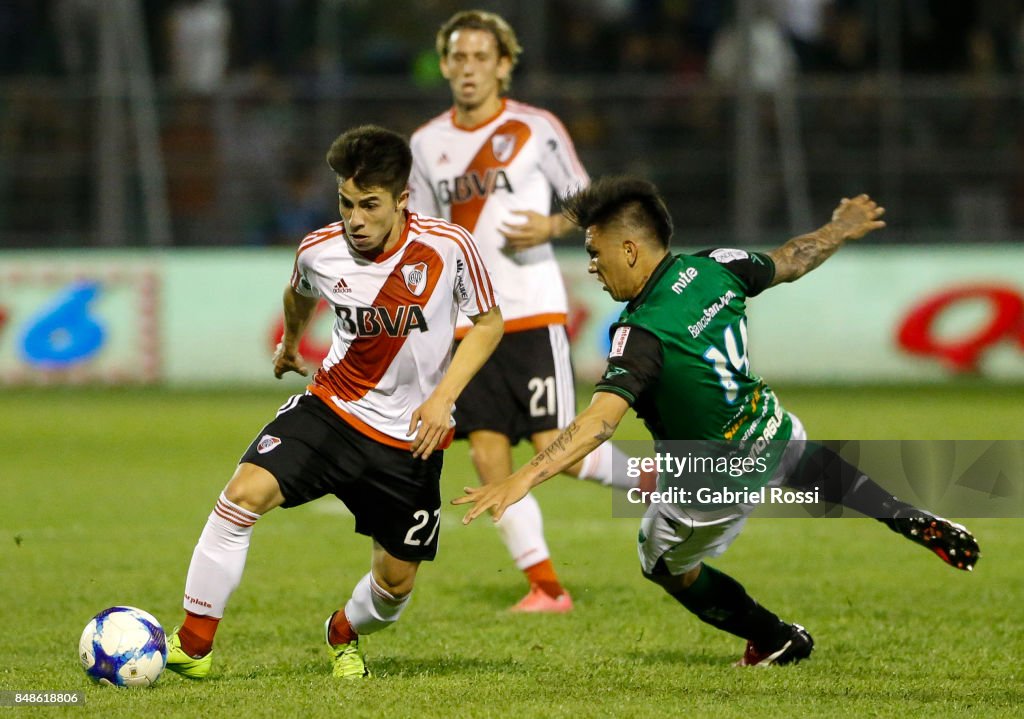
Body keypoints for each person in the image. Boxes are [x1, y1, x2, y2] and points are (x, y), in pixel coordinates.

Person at [455, 178, 981, 665]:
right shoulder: (713, 265)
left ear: (630, 249)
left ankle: (775, 638)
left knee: (662, 565)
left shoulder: (639, 334)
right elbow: (791, 259)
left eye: (595, 253)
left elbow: (598, 422)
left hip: (709, 480)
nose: (592, 266)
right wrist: (840, 227)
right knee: (802, 458)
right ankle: (901, 513)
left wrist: (520, 478)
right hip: (766, 428)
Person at [164, 125, 503, 680]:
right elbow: (297, 293)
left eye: (370, 206)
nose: (356, 219)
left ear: (402, 201)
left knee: (394, 589)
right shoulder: (320, 250)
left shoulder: (448, 247)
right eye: (346, 203)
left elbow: (489, 324)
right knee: (240, 497)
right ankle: (193, 645)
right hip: (333, 411)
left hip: (409, 443)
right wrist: (290, 344)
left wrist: (445, 397)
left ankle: (343, 630)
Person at [408, 9, 650, 614]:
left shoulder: (535, 127)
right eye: (458, 58)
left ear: (504, 66)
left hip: (533, 311)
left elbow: (587, 197)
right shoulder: (426, 143)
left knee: (557, 446)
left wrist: (548, 223)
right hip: (470, 323)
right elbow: (423, 227)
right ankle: (546, 587)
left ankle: (672, 484)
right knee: (487, 452)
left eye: (481, 58)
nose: (468, 69)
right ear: (444, 65)